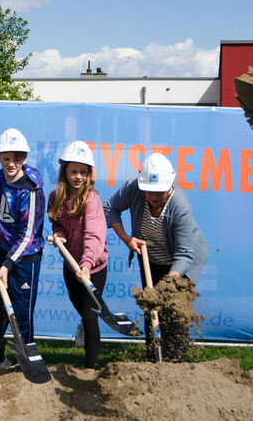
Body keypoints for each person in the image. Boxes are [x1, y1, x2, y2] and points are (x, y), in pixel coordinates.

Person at [102, 152, 209, 360]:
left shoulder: (180, 206)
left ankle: (177, 363)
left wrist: (164, 289)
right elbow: (110, 208)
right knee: (152, 309)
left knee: (174, 311)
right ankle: (154, 360)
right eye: (149, 191)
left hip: (183, 262)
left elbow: (184, 254)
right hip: (150, 258)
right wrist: (127, 239)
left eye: (159, 192)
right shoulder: (133, 189)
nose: (153, 197)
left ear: (170, 185)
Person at [0, 128, 45, 371]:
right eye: (6, 158)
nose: (12, 163)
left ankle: (27, 361)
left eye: (17, 158)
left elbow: (28, 235)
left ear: (25, 158)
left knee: (21, 312)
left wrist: (8, 265)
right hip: (2, 250)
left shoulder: (31, 190)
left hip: (25, 257)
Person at [48, 141, 108, 368]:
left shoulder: (92, 200)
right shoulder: (56, 197)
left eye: (83, 172)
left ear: (89, 174)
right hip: (70, 264)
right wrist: (59, 233)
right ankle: (84, 323)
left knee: (90, 315)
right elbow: (56, 221)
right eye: (74, 171)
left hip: (94, 267)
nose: (79, 177)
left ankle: (90, 369)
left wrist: (86, 265)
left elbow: (94, 236)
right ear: (65, 171)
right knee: (80, 307)